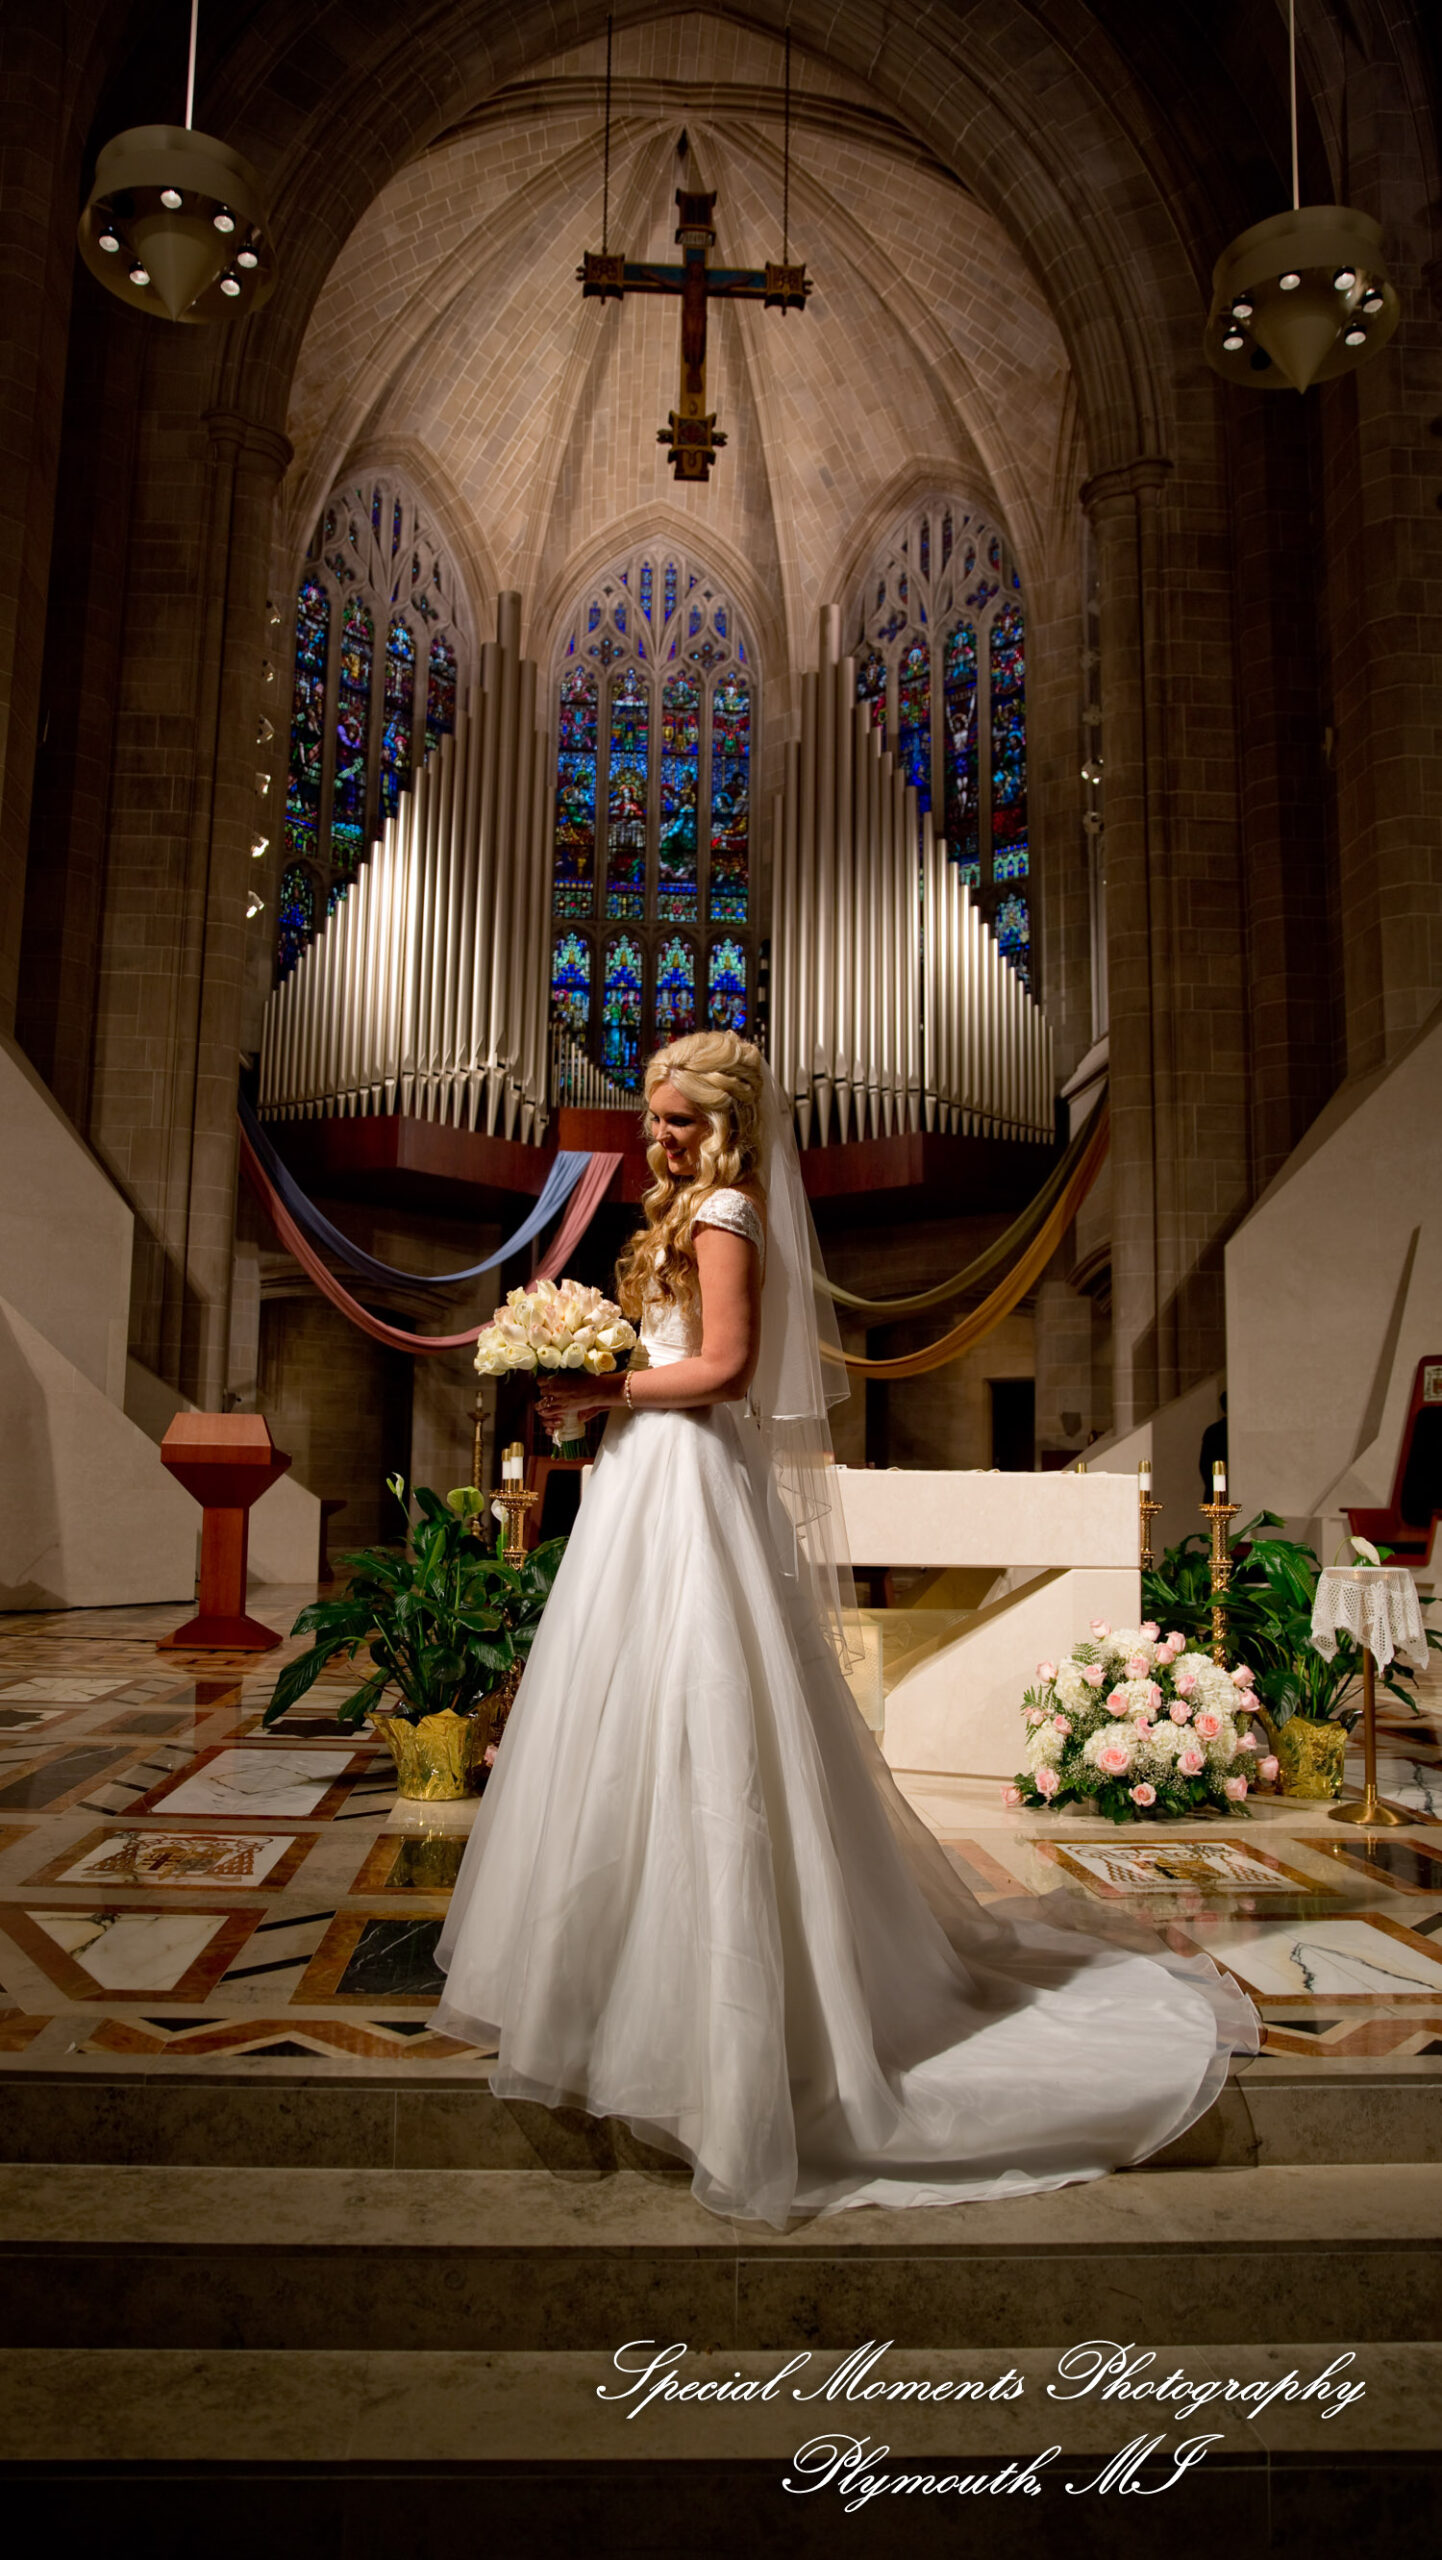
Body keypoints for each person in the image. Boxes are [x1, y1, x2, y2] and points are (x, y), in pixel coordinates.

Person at [435, 1032, 1257, 2225]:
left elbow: (720, 1366)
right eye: (650, 1116)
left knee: (706, 1711)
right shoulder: (680, 1208)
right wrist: (588, 1384)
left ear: (721, 1124)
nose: (653, 1136)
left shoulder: (723, 1208)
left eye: (674, 1119)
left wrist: (604, 1384)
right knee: (624, 1716)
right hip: (640, 1477)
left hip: (689, 1476)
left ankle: (727, 2022)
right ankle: (610, 1984)